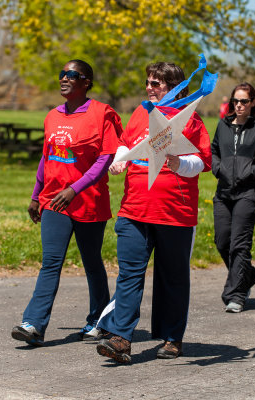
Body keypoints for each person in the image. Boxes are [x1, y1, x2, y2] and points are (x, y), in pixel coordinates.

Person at [95, 62, 212, 363]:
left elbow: (201, 162)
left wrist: (180, 165)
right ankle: (121, 338)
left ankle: (173, 338)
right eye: (148, 82)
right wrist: (119, 161)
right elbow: (125, 144)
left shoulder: (191, 120)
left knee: (172, 278)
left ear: (174, 87)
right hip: (134, 210)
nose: (150, 88)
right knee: (129, 275)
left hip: (175, 213)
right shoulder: (140, 112)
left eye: (157, 84)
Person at [11, 59, 123, 346]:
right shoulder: (52, 116)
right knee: (50, 262)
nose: (64, 78)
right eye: (62, 74)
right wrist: (37, 195)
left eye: (72, 75)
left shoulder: (102, 114)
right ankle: (34, 324)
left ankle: (99, 319)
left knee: (91, 262)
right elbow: (46, 157)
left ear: (86, 82)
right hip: (54, 202)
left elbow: (106, 157)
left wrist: (75, 189)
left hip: (89, 202)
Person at [211, 82, 255, 313]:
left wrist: (251, 171)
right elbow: (213, 151)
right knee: (222, 241)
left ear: (253, 103)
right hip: (223, 192)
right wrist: (218, 168)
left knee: (240, 244)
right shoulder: (222, 125)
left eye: (243, 101)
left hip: (248, 193)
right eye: (236, 101)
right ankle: (247, 275)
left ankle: (236, 295)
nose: (239, 105)